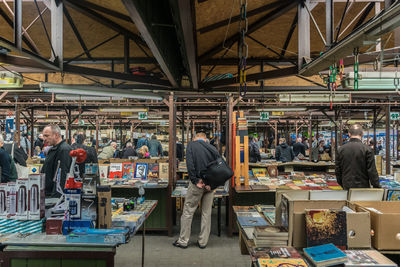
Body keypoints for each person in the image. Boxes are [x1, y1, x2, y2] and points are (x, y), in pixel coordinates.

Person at [173, 132, 218, 249]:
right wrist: (212, 184)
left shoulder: (192, 145)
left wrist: (195, 180)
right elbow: (219, 167)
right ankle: (203, 242)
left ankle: (183, 240)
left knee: (188, 211)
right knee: (206, 213)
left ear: (195, 138)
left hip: (197, 185)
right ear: (205, 139)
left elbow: (190, 164)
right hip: (210, 186)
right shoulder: (213, 148)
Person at [335, 124, 380, 190]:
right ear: (362, 134)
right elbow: (372, 171)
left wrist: (342, 184)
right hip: (363, 187)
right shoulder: (367, 149)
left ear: (349, 134)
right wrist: (377, 186)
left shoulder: (341, 150)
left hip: (346, 186)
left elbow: (338, 171)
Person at [41, 124, 72, 197]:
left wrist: (56, 197)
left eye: (47, 136)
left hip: (54, 196)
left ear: (56, 135)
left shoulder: (64, 150)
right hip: (47, 193)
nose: (44, 139)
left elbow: (62, 175)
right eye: (43, 136)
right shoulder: (53, 149)